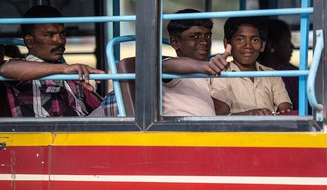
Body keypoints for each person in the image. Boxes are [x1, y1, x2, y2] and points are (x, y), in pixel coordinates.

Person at [90, 8, 229, 116]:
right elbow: (165, 66)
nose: (204, 41)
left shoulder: (200, 73)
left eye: (207, 36)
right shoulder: (173, 67)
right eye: (195, 36)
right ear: (175, 42)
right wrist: (205, 66)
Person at [0, 5, 104, 117]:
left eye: (62, 34)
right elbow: (4, 69)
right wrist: (63, 69)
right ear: (29, 41)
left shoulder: (70, 73)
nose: (60, 40)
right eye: (50, 35)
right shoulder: (20, 70)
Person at [210, 16, 293, 115]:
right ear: (227, 43)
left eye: (254, 40)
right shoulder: (222, 74)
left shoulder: (272, 74)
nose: (248, 45)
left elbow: (286, 110)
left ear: (262, 45)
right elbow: (222, 116)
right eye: (240, 40)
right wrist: (251, 115)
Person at [259, 18, 299, 110]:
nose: (292, 46)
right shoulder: (290, 74)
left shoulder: (291, 73)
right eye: (287, 40)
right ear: (272, 46)